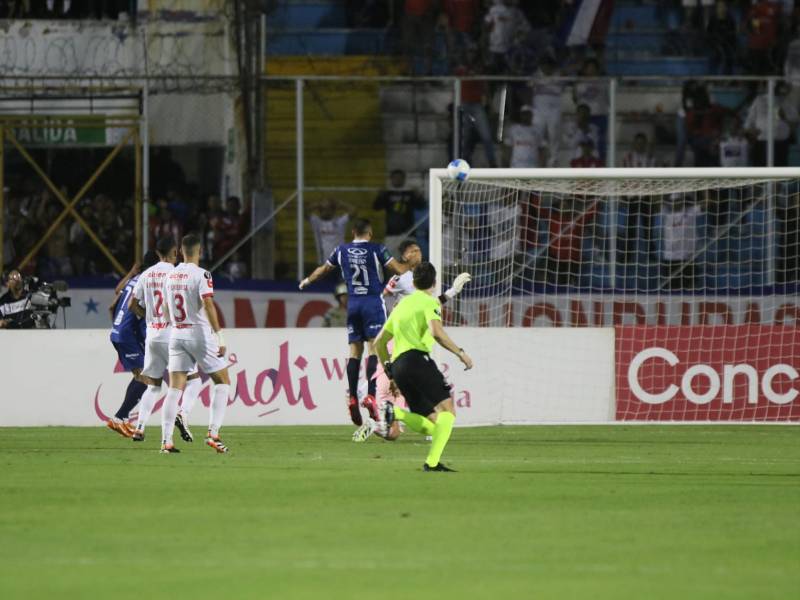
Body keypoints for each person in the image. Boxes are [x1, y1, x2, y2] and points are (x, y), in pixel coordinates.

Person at [353, 239, 470, 443]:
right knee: (429, 395)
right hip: (403, 342)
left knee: (395, 430)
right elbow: (382, 296)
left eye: (418, 249)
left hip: (404, 348)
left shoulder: (423, 283)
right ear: (405, 256)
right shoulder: (402, 279)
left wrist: (451, 292)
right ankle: (371, 397)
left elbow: (428, 303)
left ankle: (379, 419)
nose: (418, 253)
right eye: (413, 251)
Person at [299, 218, 406, 426]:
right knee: (374, 350)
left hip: (353, 305)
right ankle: (371, 396)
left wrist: (307, 281)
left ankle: (353, 397)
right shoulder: (378, 249)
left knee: (354, 353)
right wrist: (412, 267)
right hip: (373, 304)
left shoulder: (341, 250)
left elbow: (323, 269)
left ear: (353, 232)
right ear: (370, 233)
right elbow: (398, 270)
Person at [375, 261, 474, 472]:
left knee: (434, 421)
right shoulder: (429, 303)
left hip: (400, 365)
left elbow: (379, 343)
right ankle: (432, 462)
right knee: (448, 411)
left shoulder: (402, 305)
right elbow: (436, 332)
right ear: (434, 282)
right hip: (417, 360)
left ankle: (396, 413)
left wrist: (391, 374)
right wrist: (460, 353)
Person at [162, 234, 231, 454]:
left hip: (177, 334)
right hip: (198, 334)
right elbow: (208, 304)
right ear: (199, 252)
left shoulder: (171, 275)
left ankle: (166, 442)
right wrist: (219, 335)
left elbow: (165, 309)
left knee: (174, 389)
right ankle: (213, 434)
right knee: (222, 381)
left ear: (181, 252)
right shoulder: (202, 275)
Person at [128, 236, 202, 443]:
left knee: (153, 386)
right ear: (175, 252)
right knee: (193, 381)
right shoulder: (177, 273)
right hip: (173, 335)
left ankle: (139, 428)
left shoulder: (146, 274)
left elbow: (132, 305)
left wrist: (149, 317)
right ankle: (182, 414)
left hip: (152, 335)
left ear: (157, 253)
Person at [105, 254, 154, 438]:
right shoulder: (147, 281)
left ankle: (123, 420)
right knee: (145, 377)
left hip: (117, 333)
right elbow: (137, 308)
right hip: (125, 335)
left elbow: (113, 304)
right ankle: (119, 418)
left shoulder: (134, 279)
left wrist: (117, 326)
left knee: (139, 375)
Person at [373, 170, 427, 256]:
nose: (397, 180)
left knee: (411, 261)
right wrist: (380, 196)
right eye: (395, 178)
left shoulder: (410, 193)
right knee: (390, 262)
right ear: (391, 179)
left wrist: (418, 195)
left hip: (409, 233)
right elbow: (376, 207)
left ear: (404, 179)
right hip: (391, 234)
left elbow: (422, 206)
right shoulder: (387, 194)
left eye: (400, 178)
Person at [744, 81, 798, 167]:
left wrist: (784, 117)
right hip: (762, 143)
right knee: (761, 170)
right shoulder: (759, 100)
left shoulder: (786, 102)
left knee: (780, 172)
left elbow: (795, 123)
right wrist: (752, 134)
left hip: (780, 144)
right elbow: (749, 123)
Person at [308, 198, 355, 264]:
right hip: (323, 262)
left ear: (333, 210)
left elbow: (353, 211)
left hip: (339, 261)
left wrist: (341, 204)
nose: (326, 211)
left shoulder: (339, 222)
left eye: (328, 209)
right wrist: (317, 205)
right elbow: (303, 212)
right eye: (323, 209)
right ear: (320, 210)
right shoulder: (316, 222)